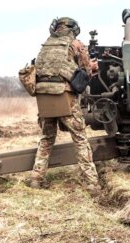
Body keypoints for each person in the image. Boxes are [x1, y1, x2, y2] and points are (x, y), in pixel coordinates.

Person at [27, 17, 99, 191]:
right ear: (74, 29)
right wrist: (93, 67)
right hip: (65, 97)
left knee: (46, 139)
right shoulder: (76, 44)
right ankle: (91, 183)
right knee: (80, 139)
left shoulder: (46, 45)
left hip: (44, 97)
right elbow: (86, 71)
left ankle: (36, 179)